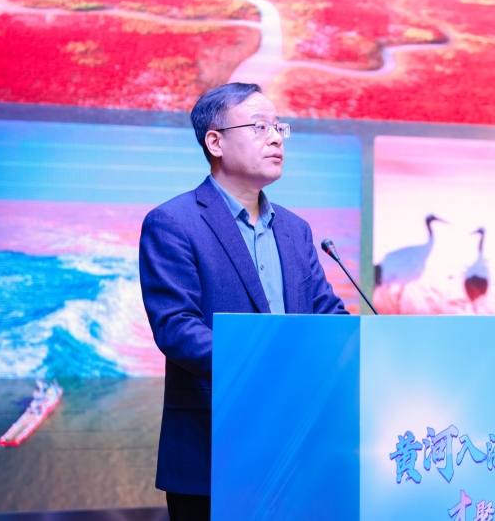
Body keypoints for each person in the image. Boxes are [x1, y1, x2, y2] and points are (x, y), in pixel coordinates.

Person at [139, 82, 348, 521]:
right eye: (259, 127)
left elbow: (327, 314)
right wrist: (271, 365)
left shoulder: (296, 229)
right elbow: (177, 327)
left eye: (279, 127)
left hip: (297, 448)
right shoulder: (173, 222)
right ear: (215, 142)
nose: (276, 138)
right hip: (214, 447)